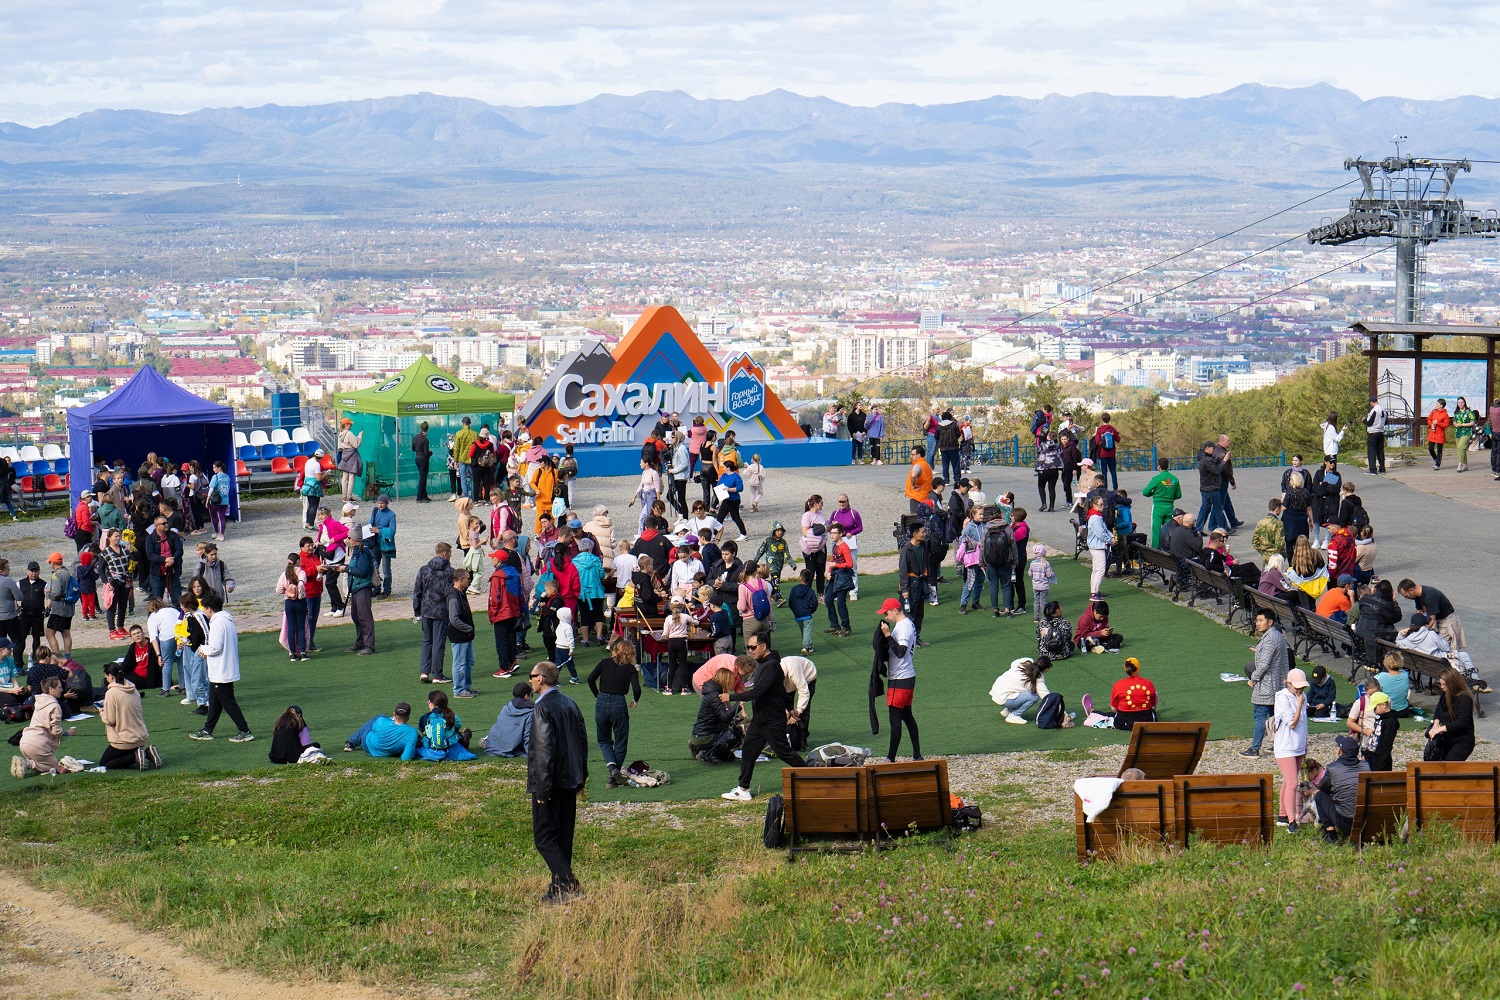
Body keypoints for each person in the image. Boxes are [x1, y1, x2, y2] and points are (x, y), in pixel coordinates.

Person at [528, 660, 589, 902]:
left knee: (544, 838)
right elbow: (582, 742)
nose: (530, 679)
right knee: (563, 837)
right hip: (570, 779)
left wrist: (542, 790)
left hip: (551, 782)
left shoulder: (542, 708)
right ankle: (559, 888)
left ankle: (569, 885)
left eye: (532, 675)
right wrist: (581, 777)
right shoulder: (570, 703)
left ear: (541, 679)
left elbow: (543, 752)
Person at [720, 633, 807, 801]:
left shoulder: (771, 666)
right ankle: (743, 789)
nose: (750, 651)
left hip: (771, 721)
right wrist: (790, 708)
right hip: (761, 720)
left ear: (763, 646)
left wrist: (731, 697)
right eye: (748, 647)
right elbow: (780, 692)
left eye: (753, 647)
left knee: (784, 752)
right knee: (749, 751)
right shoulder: (765, 665)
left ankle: (814, 776)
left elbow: (759, 691)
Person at [1397, 578, 1487, 691]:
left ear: (1411, 590)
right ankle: (1451, 682)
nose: (1406, 599)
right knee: (1449, 653)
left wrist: (1417, 634)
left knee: (1449, 649)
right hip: (1437, 623)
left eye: (1406, 596)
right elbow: (1419, 614)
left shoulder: (1429, 595)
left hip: (1447, 621)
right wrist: (1420, 631)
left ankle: (1452, 682)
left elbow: (1431, 620)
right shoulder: (1417, 597)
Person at [189, 593, 253, 743]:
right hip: (223, 669)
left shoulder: (217, 623)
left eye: (205, 609)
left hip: (221, 670)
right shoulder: (227, 620)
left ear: (209, 609)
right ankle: (207, 730)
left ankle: (244, 730)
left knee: (228, 702)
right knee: (215, 700)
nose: (204, 612)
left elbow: (215, 648)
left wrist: (203, 649)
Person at [588, 639, 641, 786]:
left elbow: (590, 679)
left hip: (602, 701)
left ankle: (612, 768)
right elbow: (636, 689)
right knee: (621, 741)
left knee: (604, 740)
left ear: (616, 650)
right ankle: (613, 777)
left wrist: (597, 695)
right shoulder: (630, 669)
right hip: (619, 703)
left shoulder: (605, 662)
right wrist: (635, 700)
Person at [93, 659, 160, 771]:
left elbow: (110, 720)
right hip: (140, 736)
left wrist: (101, 712)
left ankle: (134, 757)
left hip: (124, 740)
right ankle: (145, 753)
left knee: (105, 764)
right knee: (117, 757)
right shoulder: (132, 688)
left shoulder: (111, 693)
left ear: (110, 676)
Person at [1242, 607, 1290, 758]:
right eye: (1257, 620)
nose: (1257, 623)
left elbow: (1264, 665)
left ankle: (1255, 749)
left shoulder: (1270, 639)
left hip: (1267, 685)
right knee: (1275, 716)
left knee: (1260, 715)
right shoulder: (1276, 636)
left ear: (1270, 622)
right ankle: (1280, 744)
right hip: (1276, 684)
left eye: (1260, 620)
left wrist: (1253, 678)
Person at [10, 675, 81, 778]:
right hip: (38, 744)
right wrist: (68, 732)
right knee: (55, 767)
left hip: (25, 741)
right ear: (51, 689)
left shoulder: (39, 702)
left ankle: (26, 762)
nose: (61, 690)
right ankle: (27, 763)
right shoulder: (55, 706)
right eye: (59, 687)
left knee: (45, 763)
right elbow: (56, 731)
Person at [1273, 667, 1310, 831]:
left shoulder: (1302, 695)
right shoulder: (1282, 697)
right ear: (1288, 683)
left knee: (1288, 782)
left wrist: (1305, 743)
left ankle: (1282, 815)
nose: (1300, 690)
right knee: (1293, 783)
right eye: (1297, 687)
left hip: (1298, 746)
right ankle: (1291, 820)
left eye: (1302, 687)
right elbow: (1292, 723)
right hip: (1286, 746)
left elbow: (1304, 723)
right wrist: (1300, 703)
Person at [1312, 735, 1368, 842]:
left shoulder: (1333, 768)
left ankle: (1332, 836)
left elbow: (1322, 787)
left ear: (1340, 751)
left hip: (1346, 823)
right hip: (1366, 821)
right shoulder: (1366, 766)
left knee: (1320, 796)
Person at [413, 542, 454, 684]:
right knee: (438, 642)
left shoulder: (424, 570)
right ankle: (437, 674)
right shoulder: (449, 572)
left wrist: (417, 611)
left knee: (427, 640)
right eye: (449, 553)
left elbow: (417, 591)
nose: (450, 556)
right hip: (441, 611)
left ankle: (424, 671)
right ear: (444, 554)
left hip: (426, 610)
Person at [1425, 666, 1475, 761]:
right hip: (1448, 738)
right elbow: (1438, 711)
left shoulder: (1464, 698)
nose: (1442, 687)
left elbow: (1462, 722)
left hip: (1462, 740)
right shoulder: (1445, 694)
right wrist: (1436, 724)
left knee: (1449, 766)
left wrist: (1440, 729)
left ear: (1453, 683)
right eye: (1441, 684)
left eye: (1444, 685)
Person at [344, 702, 419, 760]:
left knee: (378, 717)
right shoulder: (412, 733)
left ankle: (351, 742)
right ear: (409, 716)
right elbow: (406, 758)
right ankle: (351, 742)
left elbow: (373, 730)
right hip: (388, 752)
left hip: (367, 745)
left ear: (394, 714)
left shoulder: (381, 721)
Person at [990, 655, 1052, 724]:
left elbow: (1013, 663)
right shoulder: (1038, 679)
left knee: (1023, 690)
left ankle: (1007, 711)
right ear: (1046, 669)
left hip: (996, 689)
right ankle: (1014, 715)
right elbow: (1047, 697)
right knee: (1033, 697)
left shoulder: (1025, 661)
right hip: (1003, 698)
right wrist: (1062, 712)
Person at [416, 690, 476, 762]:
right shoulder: (452, 716)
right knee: (455, 732)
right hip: (451, 752)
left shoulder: (425, 717)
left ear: (434, 704)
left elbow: (421, 729)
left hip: (430, 753)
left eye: (429, 702)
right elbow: (458, 726)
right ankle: (465, 739)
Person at [345, 525, 377, 654]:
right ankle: (360, 642)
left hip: (362, 587)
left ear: (356, 539)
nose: (348, 539)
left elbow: (362, 571)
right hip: (357, 588)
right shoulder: (358, 550)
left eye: (350, 537)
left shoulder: (363, 551)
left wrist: (346, 569)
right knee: (356, 616)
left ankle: (369, 645)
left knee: (364, 617)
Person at [480, 683, 535, 757]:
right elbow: (528, 737)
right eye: (531, 695)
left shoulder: (507, 706)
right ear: (526, 696)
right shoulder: (530, 713)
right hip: (507, 747)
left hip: (492, 743)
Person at [780, 652, 818, 752]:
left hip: (807, 675)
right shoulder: (773, 673)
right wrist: (785, 709)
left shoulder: (794, 672)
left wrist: (798, 711)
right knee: (785, 710)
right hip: (788, 681)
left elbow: (804, 692)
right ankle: (786, 736)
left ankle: (803, 738)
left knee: (804, 710)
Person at [447, 568, 477, 697]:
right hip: (459, 636)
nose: (469, 581)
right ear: (460, 580)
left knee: (469, 661)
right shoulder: (454, 596)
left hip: (465, 635)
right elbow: (453, 619)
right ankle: (459, 690)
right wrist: (468, 628)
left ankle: (466, 687)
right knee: (459, 664)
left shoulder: (460, 594)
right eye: (467, 579)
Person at [275, 552, 309, 662]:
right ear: (297, 561)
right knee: (300, 627)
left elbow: (278, 590)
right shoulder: (301, 572)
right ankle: (303, 652)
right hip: (300, 602)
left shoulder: (284, 574)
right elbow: (302, 583)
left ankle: (292, 653)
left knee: (290, 627)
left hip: (289, 602)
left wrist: (287, 591)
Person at [823, 522, 855, 637]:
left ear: (841, 534)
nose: (832, 535)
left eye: (835, 533)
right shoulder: (835, 545)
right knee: (828, 599)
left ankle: (846, 628)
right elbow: (832, 560)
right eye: (831, 533)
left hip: (843, 577)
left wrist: (836, 565)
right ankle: (835, 625)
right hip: (835, 575)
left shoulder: (844, 547)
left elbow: (850, 564)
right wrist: (829, 572)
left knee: (841, 603)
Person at [1140, 458, 1181, 547]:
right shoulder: (1175, 479)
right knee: (1168, 528)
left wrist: (1154, 493)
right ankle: (1167, 547)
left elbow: (1145, 492)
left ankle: (1155, 549)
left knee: (1156, 529)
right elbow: (1178, 495)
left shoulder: (1156, 479)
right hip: (1169, 506)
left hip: (1158, 506)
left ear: (1159, 467)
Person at [43, 552, 76, 659]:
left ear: (53, 563)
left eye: (50, 563)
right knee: (66, 633)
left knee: (49, 633)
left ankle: (58, 658)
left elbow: (56, 593)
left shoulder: (56, 575)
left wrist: (48, 593)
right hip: (69, 607)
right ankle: (68, 657)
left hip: (59, 609)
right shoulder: (69, 572)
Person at [1362, 691, 1398, 772]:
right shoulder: (1380, 718)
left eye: (1375, 708)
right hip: (1371, 756)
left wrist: (1379, 766)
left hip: (1379, 760)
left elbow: (1386, 745)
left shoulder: (1390, 722)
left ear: (1383, 705)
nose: (1374, 710)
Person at [370, 494, 397, 597]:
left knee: (386, 569)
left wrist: (379, 531)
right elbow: (370, 524)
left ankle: (387, 591)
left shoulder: (391, 515)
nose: (380, 505)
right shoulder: (375, 511)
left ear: (386, 503)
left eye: (382, 503)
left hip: (385, 545)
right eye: (379, 503)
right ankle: (376, 587)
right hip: (375, 544)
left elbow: (392, 531)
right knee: (374, 568)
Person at [1371, 651, 1413, 717]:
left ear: (1386, 663)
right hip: (1403, 711)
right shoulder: (1405, 674)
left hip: (1387, 710)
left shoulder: (1380, 677)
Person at [1085, 497, 1110, 601]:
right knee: (1100, 570)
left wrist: (1111, 537)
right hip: (1097, 546)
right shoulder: (1095, 518)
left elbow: (1104, 529)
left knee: (1096, 570)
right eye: (1100, 504)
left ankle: (1095, 591)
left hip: (1096, 545)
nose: (1102, 506)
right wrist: (1110, 540)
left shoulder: (1096, 516)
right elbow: (1101, 533)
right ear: (1094, 506)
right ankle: (1094, 593)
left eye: (1103, 504)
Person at [905, 445, 934, 514]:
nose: (911, 456)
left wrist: (913, 484)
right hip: (926, 495)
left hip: (917, 496)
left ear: (918, 455)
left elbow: (913, 475)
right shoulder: (926, 465)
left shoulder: (918, 465)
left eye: (913, 454)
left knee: (915, 518)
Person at [1452, 396, 1478, 471]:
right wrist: (1455, 424)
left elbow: (1473, 422)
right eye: (1459, 402)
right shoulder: (1457, 412)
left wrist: (1462, 424)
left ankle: (1460, 464)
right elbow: (1454, 421)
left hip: (1466, 432)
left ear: (1464, 403)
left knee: (1461, 447)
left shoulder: (1469, 412)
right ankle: (1465, 464)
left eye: (1462, 402)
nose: (1460, 404)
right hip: (1458, 432)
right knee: (1460, 449)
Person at [1426, 397, 1451, 470]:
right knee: (1430, 449)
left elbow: (1446, 425)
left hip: (1440, 433)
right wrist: (1431, 424)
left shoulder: (1445, 414)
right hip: (1432, 433)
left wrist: (1438, 423)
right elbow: (1429, 419)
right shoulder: (1433, 411)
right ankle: (1436, 459)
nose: (1436, 405)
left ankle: (1438, 463)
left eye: (1437, 404)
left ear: (1441, 405)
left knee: (1439, 449)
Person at [412, 420, 434, 502]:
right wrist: (430, 453)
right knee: (423, 478)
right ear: (427, 429)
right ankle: (419, 497)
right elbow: (426, 453)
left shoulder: (415, 437)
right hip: (423, 460)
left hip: (417, 458)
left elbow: (413, 448)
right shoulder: (425, 440)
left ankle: (424, 495)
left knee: (422, 477)